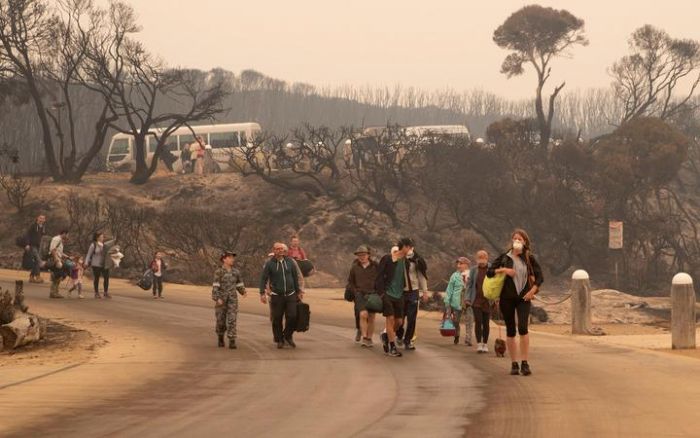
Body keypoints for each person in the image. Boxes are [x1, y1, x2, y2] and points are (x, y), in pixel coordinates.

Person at [487, 229, 544, 376]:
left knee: (523, 328)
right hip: (506, 297)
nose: (517, 241)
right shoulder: (504, 258)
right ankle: (514, 363)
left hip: (523, 297)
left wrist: (532, 291)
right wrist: (504, 270)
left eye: (520, 239)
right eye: (515, 239)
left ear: (525, 242)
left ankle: (525, 362)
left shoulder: (529, 258)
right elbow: (490, 271)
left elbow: (540, 277)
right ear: (511, 241)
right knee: (511, 330)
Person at [260, 242, 302, 349]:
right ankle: (279, 340)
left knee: (292, 316)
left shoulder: (290, 262)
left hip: (291, 294)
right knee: (277, 318)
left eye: (282, 249)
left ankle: (287, 336)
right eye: (278, 249)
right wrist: (262, 293)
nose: (280, 250)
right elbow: (263, 279)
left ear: (284, 250)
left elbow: (295, 278)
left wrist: (299, 291)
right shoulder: (270, 264)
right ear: (274, 250)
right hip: (277, 295)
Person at [395, 238, 429, 351]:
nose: (409, 249)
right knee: (400, 317)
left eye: (410, 246)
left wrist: (425, 291)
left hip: (413, 291)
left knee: (412, 318)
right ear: (402, 247)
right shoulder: (397, 258)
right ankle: (399, 335)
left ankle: (408, 340)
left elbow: (421, 276)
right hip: (400, 292)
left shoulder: (416, 260)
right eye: (407, 246)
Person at [376, 244, 408, 358]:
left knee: (399, 322)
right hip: (387, 294)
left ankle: (385, 335)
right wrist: (381, 294)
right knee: (390, 319)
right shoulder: (387, 259)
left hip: (399, 295)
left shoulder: (405, 262)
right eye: (408, 247)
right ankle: (392, 347)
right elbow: (379, 275)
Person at [212, 251, 247, 349]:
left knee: (232, 319)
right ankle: (220, 337)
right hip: (221, 299)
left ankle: (232, 340)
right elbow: (215, 286)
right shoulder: (219, 272)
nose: (232, 259)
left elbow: (239, 284)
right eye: (230, 257)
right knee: (221, 320)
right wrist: (217, 298)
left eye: (233, 258)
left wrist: (243, 291)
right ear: (224, 259)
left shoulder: (236, 272)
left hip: (232, 299)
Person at [347, 245, 379, 347]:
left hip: (373, 294)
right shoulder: (354, 268)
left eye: (363, 255)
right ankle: (365, 338)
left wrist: (379, 291)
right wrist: (355, 291)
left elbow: (381, 279)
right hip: (360, 294)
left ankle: (369, 338)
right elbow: (351, 282)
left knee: (371, 317)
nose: (362, 257)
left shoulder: (375, 266)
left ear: (368, 255)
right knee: (363, 314)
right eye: (359, 255)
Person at [467, 250, 491, 353]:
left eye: (483, 258)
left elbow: (496, 283)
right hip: (476, 299)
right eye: (479, 258)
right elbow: (469, 284)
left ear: (487, 258)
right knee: (478, 321)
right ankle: (479, 344)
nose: (481, 261)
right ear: (476, 259)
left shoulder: (492, 269)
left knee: (486, 323)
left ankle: (485, 343)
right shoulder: (473, 270)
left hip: (488, 300)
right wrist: (467, 298)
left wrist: (497, 298)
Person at [444, 257, 470, 345]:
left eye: (461, 264)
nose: (458, 266)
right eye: (458, 264)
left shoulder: (471, 274)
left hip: (468, 301)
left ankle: (468, 339)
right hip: (456, 302)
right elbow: (449, 289)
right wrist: (447, 301)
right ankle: (457, 334)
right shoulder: (454, 275)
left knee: (468, 321)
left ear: (466, 265)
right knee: (456, 321)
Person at [85, 232, 112, 299]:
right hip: (96, 264)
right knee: (97, 278)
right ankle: (96, 293)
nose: (103, 238)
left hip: (104, 264)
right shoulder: (93, 245)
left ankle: (105, 292)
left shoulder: (105, 245)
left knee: (106, 277)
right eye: (101, 237)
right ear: (97, 238)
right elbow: (89, 254)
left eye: (103, 237)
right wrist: (86, 262)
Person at [24, 214, 47, 283]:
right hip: (32, 245)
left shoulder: (43, 227)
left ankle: (31, 277)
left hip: (39, 246)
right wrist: (27, 244)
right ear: (37, 218)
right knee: (37, 259)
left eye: (43, 218)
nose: (41, 220)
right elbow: (27, 234)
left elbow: (44, 237)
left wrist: (44, 246)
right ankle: (38, 276)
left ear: (44, 220)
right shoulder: (33, 226)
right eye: (40, 218)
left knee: (36, 261)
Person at [48, 230, 70, 298]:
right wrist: (56, 259)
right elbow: (52, 249)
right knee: (56, 275)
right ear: (64, 233)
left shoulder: (60, 240)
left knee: (58, 275)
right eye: (67, 234)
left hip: (58, 259)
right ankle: (53, 292)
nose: (68, 236)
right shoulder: (56, 239)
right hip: (55, 259)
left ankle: (55, 292)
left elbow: (59, 252)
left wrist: (68, 257)